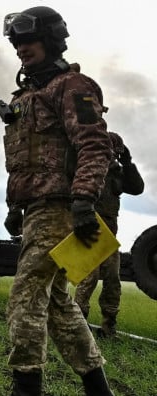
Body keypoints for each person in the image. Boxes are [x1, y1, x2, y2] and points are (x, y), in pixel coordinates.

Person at [0, 6, 115, 395]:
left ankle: (26, 387)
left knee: (26, 295)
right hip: (36, 211)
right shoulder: (27, 97)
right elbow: (23, 159)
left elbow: (94, 144)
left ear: (50, 40)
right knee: (56, 303)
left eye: (27, 40)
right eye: (16, 42)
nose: (20, 48)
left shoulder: (73, 86)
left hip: (60, 209)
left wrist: (83, 199)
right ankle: (98, 387)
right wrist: (15, 207)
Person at [75, 132, 144, 337]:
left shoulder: (117, 173)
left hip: (109, 236)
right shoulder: (88, 167)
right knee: (89, 277)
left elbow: (137, 188)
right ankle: (79, 323)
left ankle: (109, 325)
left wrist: (128, 163)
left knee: (113, 280)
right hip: (90, 232)